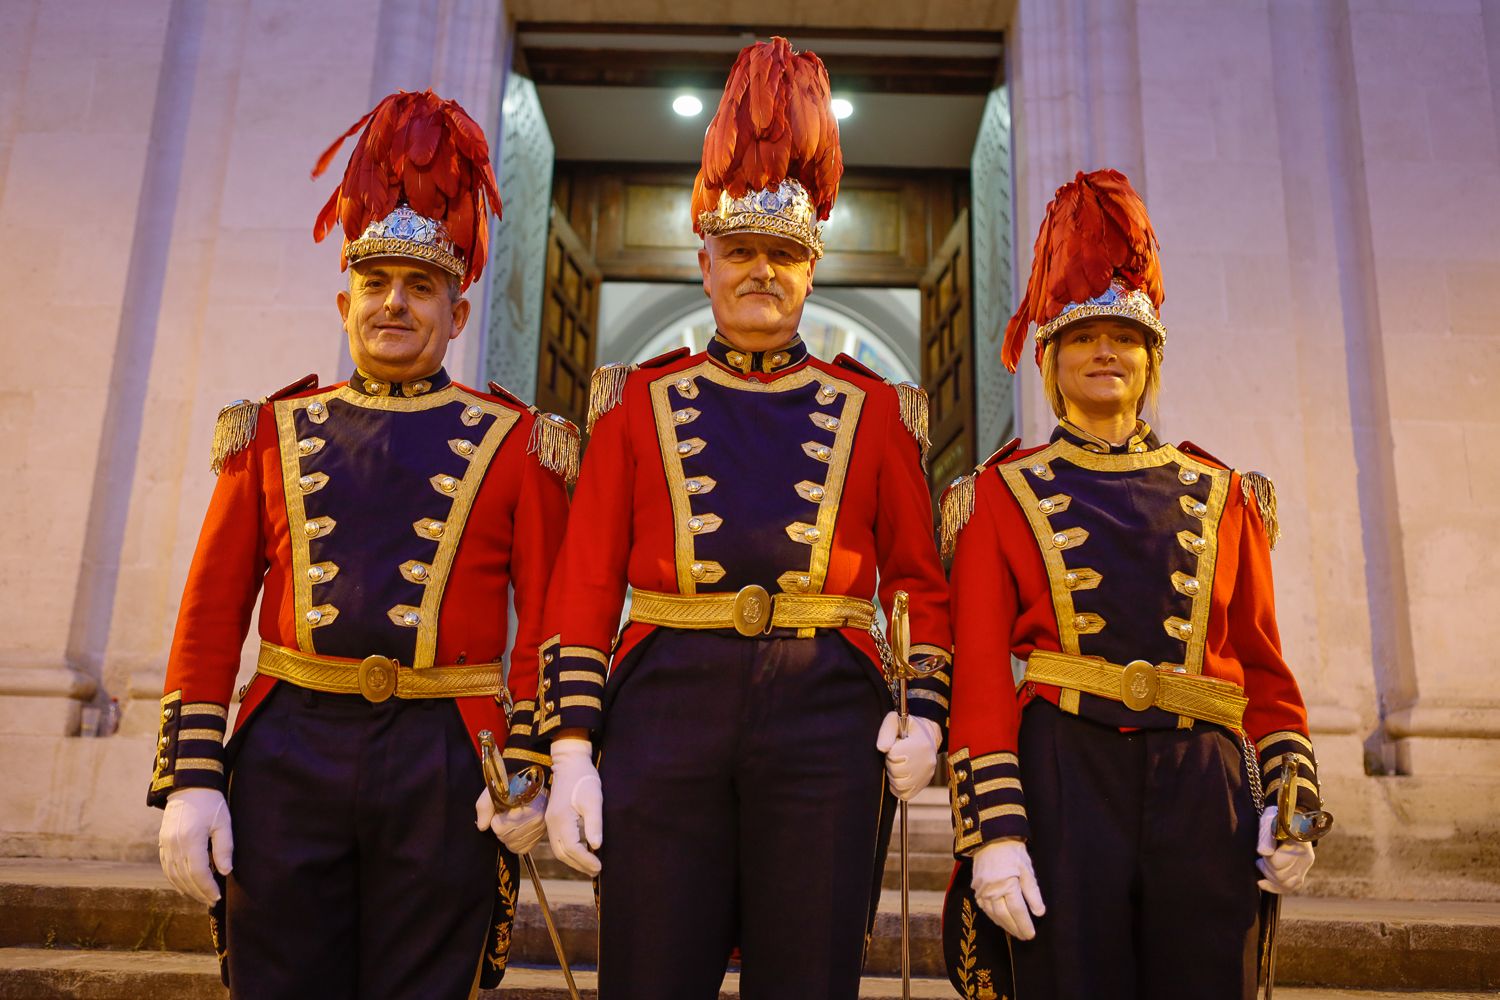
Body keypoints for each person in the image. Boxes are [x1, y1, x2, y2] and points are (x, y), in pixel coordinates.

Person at [520, 37, 951, 999]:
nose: (763, 272)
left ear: (811, 272)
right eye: (743, 253)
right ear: (705, 263)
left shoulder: (877, 410)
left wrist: (922, 714)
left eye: (785, 256)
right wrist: (572, 745)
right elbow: (587, 582)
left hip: (828, 714)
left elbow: (920, 580)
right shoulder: (634, 403)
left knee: (810, 971)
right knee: (653, 969)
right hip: (666, 706)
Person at [148, 89, 575, 999]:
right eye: (376, 285)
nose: (395, 305)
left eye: (421, 288)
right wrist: (191, 777)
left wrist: (532, 765)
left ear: (457, 317)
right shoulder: (270, 429)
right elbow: (210, 615)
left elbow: (547, 620)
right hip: (288, 753)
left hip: (447, 756)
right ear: (345, 301)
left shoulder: (516, 441)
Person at [939, 169, 1324, 1000]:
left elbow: (1262, 666)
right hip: (1065, 775)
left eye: (1124, 336)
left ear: (1152, 358)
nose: (1104, 351)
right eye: (1081, 337)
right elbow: (977, 678)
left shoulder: (1226, 494)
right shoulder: (998, 493)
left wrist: (1290, 800)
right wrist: (995, 830)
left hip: (1204, 777)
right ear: (1051, 360)